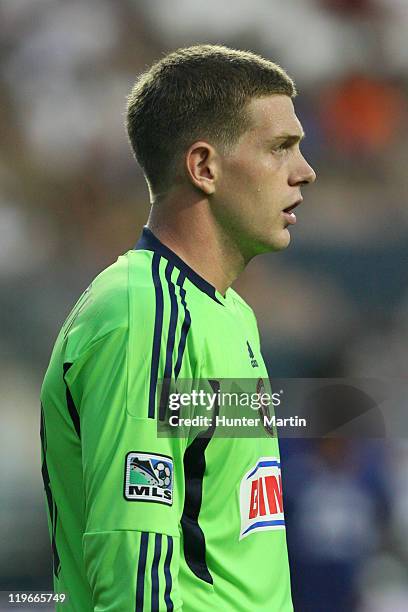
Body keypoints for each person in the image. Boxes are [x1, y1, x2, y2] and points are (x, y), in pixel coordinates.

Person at [40, 44, 315, 611]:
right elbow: (133, 568)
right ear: (204, 167)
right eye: (280, 148)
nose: (305, 171)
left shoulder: (230, 313)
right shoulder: (141, 312)